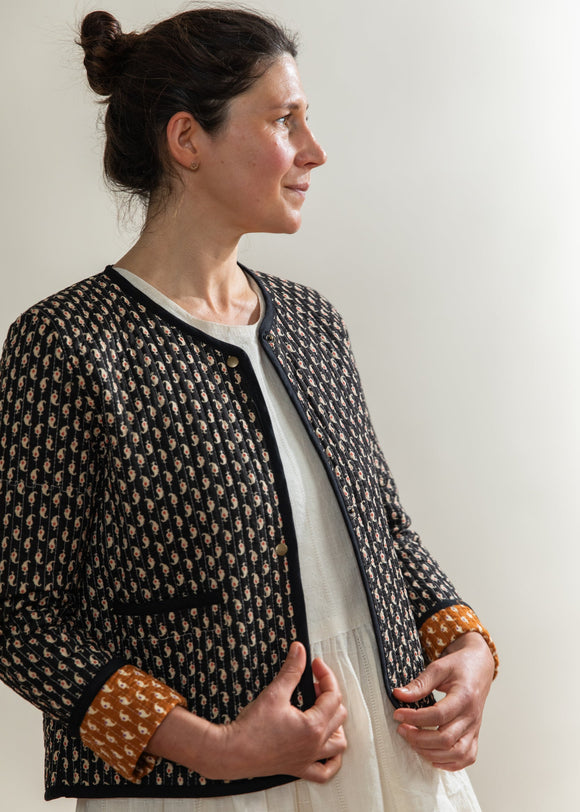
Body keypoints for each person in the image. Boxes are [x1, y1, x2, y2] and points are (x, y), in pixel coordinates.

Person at [0, 6, 498, 811]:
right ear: (187, 139)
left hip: (392, 763)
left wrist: (469, 647)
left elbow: (385, 529)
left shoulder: (311, 322)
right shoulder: (69, 343)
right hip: (202, 791)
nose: (315, 150)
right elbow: (19, 619)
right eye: (284, 120)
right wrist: (215, 748)